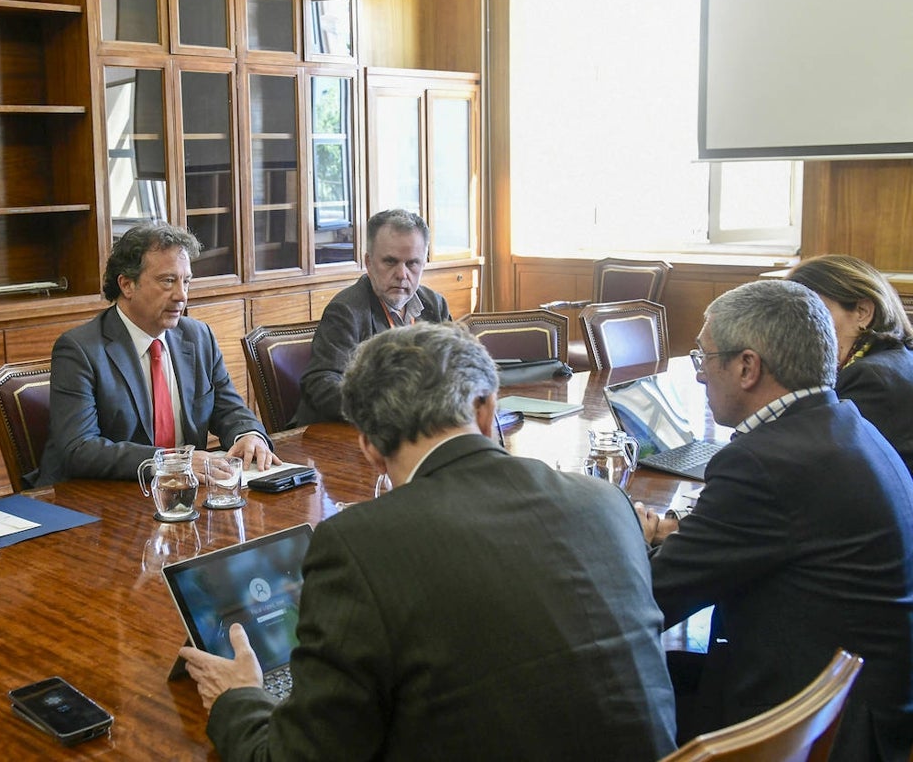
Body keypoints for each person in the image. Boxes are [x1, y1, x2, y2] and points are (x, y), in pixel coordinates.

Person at [181, 322, 678, 761]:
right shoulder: (606, 502)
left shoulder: (357, 546)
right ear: (487, 412)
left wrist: (239, 696)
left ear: (370, 448)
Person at [637, 280, 913, 762]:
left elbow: (654, 598)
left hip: (824, 727)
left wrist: (617, 539)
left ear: (747, 366)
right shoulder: (843, 423)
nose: (700, 376)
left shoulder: (764, 463)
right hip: (863, 699)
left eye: (703, 358)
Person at [35, 224, 276, 486]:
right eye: (168, 281)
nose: (182, 295)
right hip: (106, 496)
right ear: (127, 285)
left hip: (186, 492)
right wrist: (170, 462)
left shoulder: (198, 336)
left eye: (186, 281)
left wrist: (248, 435)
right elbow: (79, 448)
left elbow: (229, 409)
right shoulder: (80, 349)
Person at [291, 209, 452, 427]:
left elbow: (455, 369)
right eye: (390, 262)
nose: (402, 274)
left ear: (424, 262)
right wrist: (388, 409)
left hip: (413, 430)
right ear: (368, 262)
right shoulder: (347, 310)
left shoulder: (434, 305)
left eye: (412, 263)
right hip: (338, 436)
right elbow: (321, 384)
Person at [787, 253, 913, 476]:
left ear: (862, 312)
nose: (797, 328)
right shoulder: (894, 357)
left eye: (812, 313)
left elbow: (818, 466)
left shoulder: (870, 377)